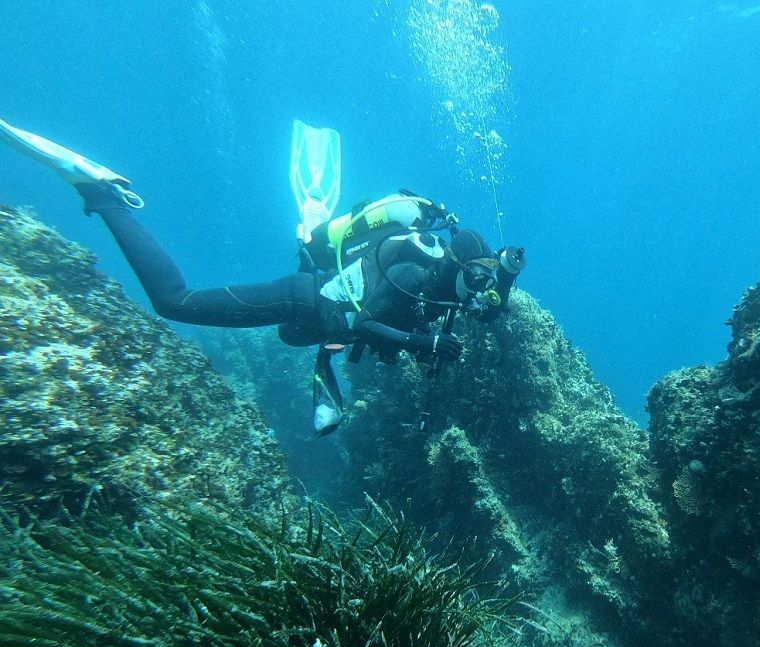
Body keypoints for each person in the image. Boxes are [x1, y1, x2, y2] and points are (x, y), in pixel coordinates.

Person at [0, 119, 526, 435]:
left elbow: (368, 329)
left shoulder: (441, 291)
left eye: (487, 288)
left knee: (303, 339)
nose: (479, 297)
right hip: (303, 300)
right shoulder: (414, 267)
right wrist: (420, 342)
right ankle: (104, 194)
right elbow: (361, 323)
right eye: (477, 281)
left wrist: (483, 299)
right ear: (457, 265)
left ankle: (325, 389)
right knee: (176, 302)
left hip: (319, 319)